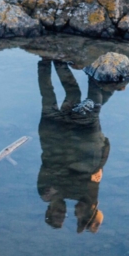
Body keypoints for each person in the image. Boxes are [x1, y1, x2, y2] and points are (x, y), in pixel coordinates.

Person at [36, 58, 111, 233]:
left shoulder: (53, 193)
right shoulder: (85, 193)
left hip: (56, 136)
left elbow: (57, 167)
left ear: (50, 210)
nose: (68, 213)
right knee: (75, 98)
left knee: (67, 96)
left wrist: (105, 143)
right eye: (66, 215)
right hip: (68, 135)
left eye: (59, 214)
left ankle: (51, 61)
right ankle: (54, 61)